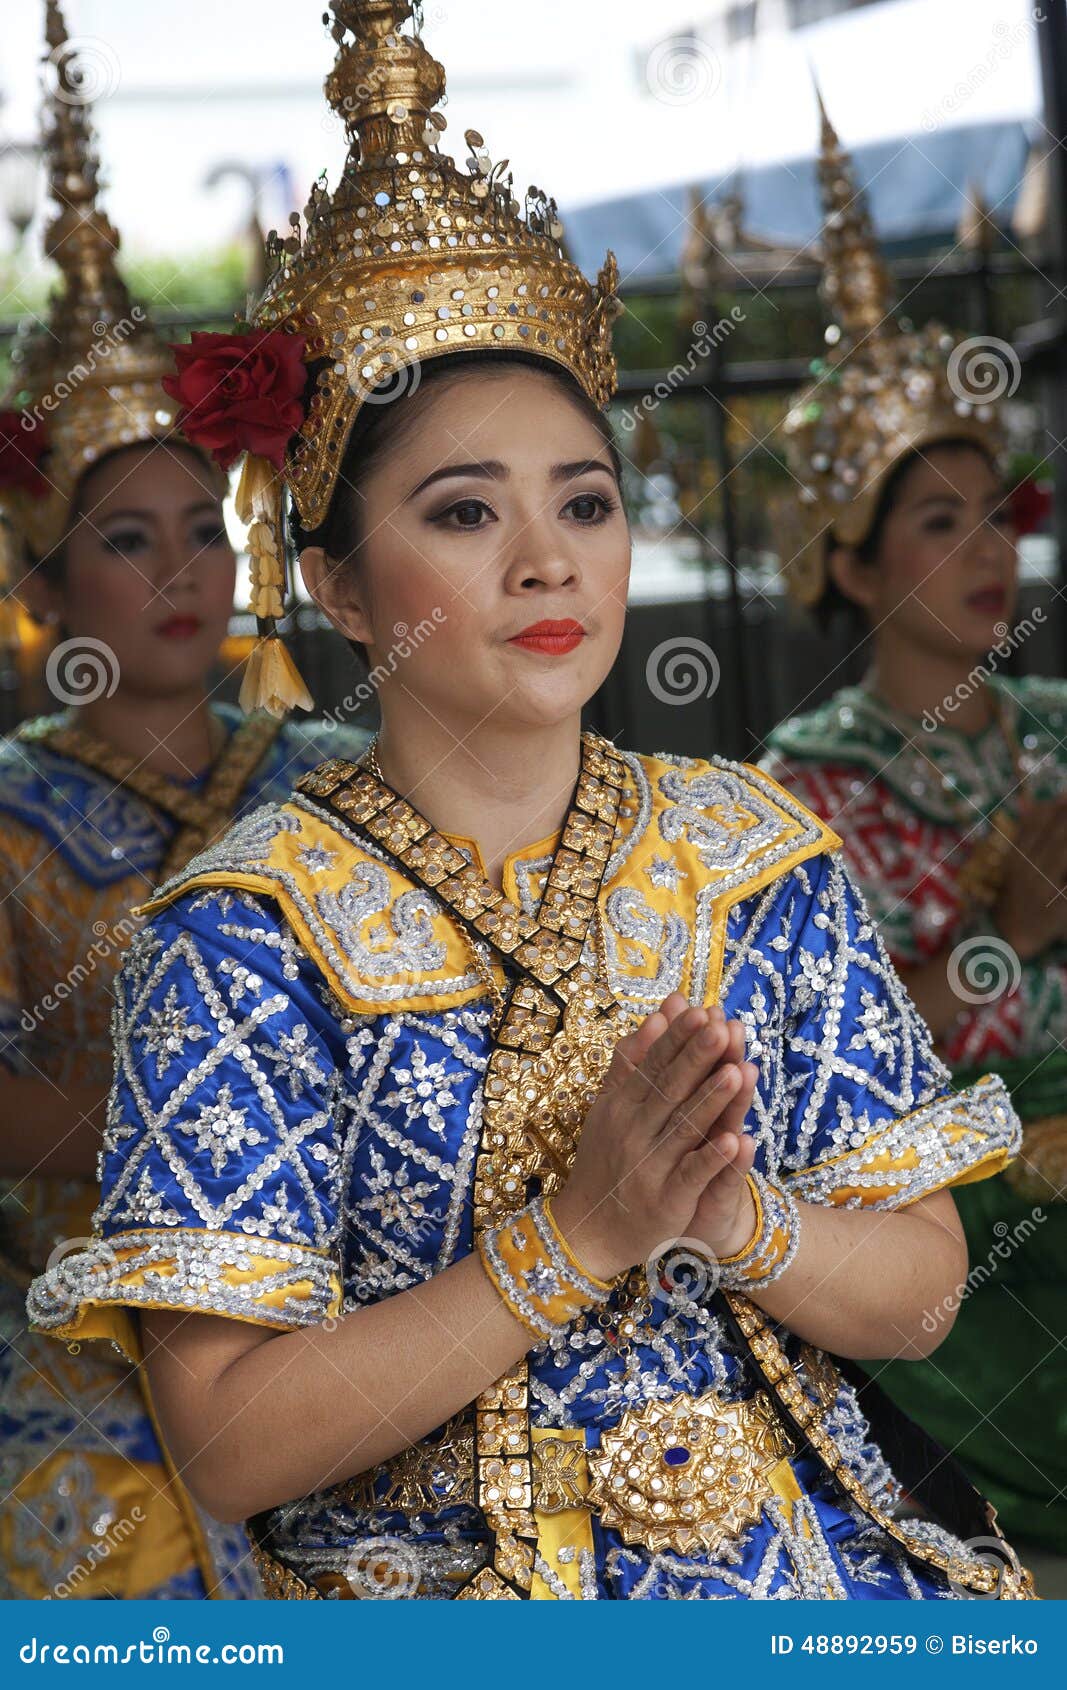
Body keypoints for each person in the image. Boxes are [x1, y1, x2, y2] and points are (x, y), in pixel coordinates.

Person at [28, 3, 1033, 1601]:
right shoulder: (242, 929)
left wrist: (739, 1218)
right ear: (343, 588)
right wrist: (573, 1237)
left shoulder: (754, 852)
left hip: (809, 1562)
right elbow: (224, 1438)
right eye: (463, 510)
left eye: (585, 499)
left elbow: (920, 1291)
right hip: (436, 1593)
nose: (548, 557)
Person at [0, 2, 366, 1600]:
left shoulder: (325, 775)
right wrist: (198, 1145)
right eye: (128, 539)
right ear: (40, 585)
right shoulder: (11, 811)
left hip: (341, 1274)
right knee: (107, 1543)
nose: (184, 572)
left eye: (203, 532)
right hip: (87, 1302)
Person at [761, 100, 1067, 1557]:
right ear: (854, 555)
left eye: (998, 511)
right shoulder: (809, 790)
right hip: (978, 1226)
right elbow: (842, 1085)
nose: (990, 546)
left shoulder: (1063, 729)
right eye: (939, 520)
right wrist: (1013, 935)